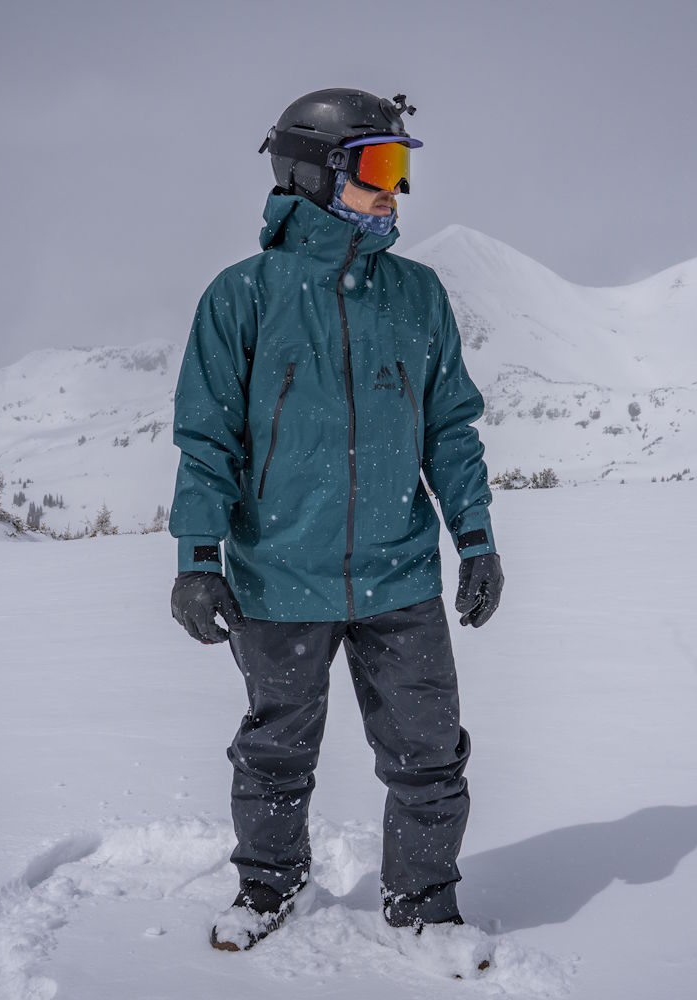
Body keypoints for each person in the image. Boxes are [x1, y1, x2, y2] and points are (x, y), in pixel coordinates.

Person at [168, 87, 504, 952]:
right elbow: (208, 440)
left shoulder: (417, 295)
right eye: (378, 167)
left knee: (430, 755)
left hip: (398, 574)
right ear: (315, 175)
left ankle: (425, 905)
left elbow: (451, 431)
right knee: (275, 752)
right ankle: (266, 890)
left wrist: (475, 539)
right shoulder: (241, 299)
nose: (395, 190)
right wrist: (198, 556)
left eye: (402, 169)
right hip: (280, 575)